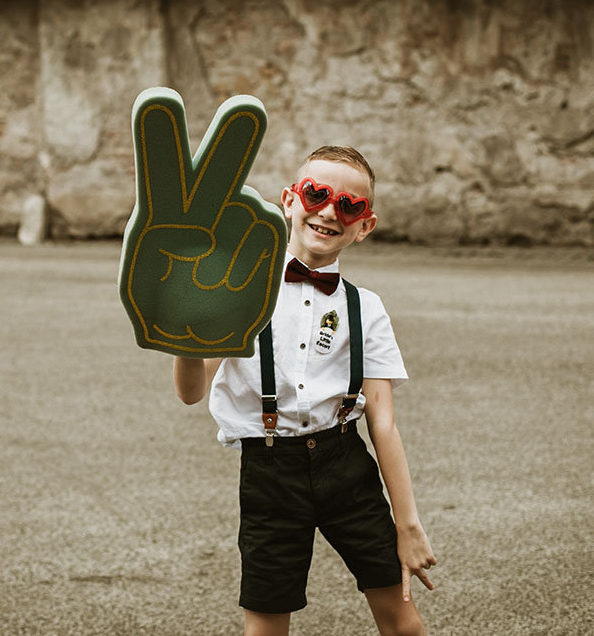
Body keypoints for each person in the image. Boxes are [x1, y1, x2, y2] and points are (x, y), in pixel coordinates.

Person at [173, 146, 436, 636]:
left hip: (347, 467)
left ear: (365, 225)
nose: (330, 211)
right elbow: (191, 392)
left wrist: (408, 523)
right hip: (270, 471)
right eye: (317, 194)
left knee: (404, 622)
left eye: (349, 206)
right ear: (289, 201)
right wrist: (184, 335)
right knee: (266, 627)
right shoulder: (240, 289)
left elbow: (383, 422)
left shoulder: (367, 308)